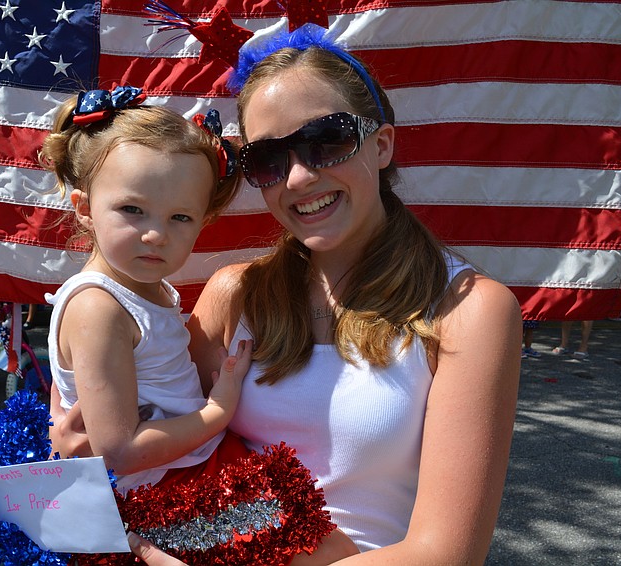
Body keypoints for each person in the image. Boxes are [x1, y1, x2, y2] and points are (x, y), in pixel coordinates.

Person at [126, 25, 522, 565]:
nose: (296, 178)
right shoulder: (233, 296)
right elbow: (160, 451)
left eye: (326, 142)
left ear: (380, 145)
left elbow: (448, 554)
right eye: (267, 159)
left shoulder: (469, 310)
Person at [42, 86, 354, 564]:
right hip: (166, 490)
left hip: (188, 466)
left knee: (326, 549)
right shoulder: (98, 307)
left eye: (180, 217)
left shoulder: (143, 289)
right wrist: (217, 412)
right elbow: (120, 450)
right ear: (85, 209)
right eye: (132, 210)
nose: (155, 233)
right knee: (324, 553)